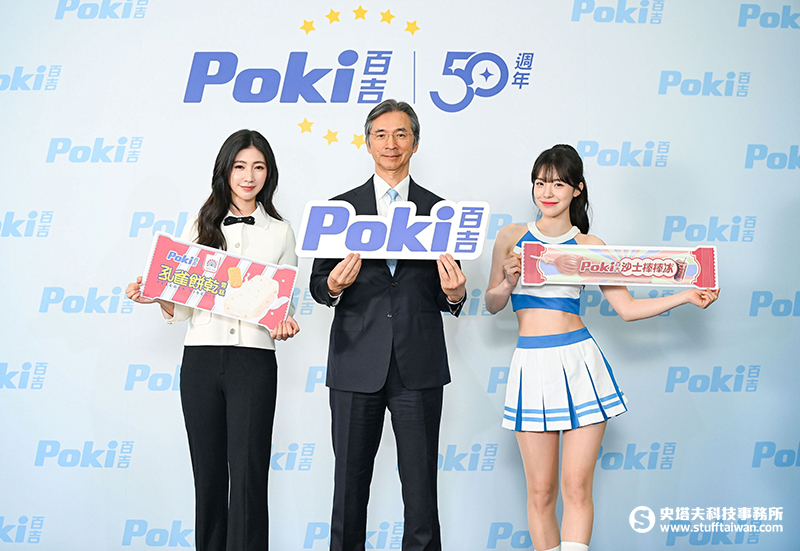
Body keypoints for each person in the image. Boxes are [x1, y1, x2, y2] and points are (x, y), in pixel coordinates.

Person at [484, 144, 718, 551]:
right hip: (531, 367)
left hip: (579, 364)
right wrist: (507, 281)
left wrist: (684, 296)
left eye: (558, 184)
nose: (547, 192)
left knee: (577, 487)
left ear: (577, 189)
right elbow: (491, 303)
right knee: (540, 492)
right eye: (540, 183)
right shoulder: (511, 237)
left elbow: (626, 308)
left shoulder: (591, 244)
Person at [125, 129, 299, 551]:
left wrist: (284, 321)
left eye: (258, 167)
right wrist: (158, 296)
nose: (248, 176)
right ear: (225, 171)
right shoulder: (198, 224)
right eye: (240, 166)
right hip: (201, 361)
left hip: (254, 362)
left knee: (249, 475)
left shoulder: (281, 231)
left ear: (269, 174)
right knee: (208, 476)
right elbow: (182, 306)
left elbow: (283, 302)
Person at [309, 99, 467, 551]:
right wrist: (333, 286)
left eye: (401, 134)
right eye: (381, 134)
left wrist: (455, 295)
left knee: (421, 490)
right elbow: (318, 285)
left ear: (415, 142)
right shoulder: (339, 209)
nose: (391, 143)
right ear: (367, 143)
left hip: (418, 364)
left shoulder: (441, 212)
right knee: (348, 488)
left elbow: (446, 291)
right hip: (355, 363)